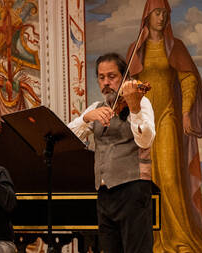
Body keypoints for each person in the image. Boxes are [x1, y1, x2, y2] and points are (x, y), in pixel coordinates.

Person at [126, 0, 202, 252]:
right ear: (147, 17)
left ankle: (180, 238)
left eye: (165, 13)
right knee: (147, 180)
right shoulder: (136, 49)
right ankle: (154, 240)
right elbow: (128, 84)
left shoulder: (175, 47)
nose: (162, 18)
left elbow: (188, 79)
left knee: (171, 178)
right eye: (157, 13)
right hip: (143, 120)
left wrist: (186, 113)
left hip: (168, 116)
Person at [68, 52, 155, 252]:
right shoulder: (96, 108)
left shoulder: (141, 103)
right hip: (105, 194)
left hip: (133, 190)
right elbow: (67, 137)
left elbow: (146, 139)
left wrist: (134, 110)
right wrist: (86, 118)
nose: (106, 82)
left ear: (124, 78)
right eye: (101, 77)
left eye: (112, 76)